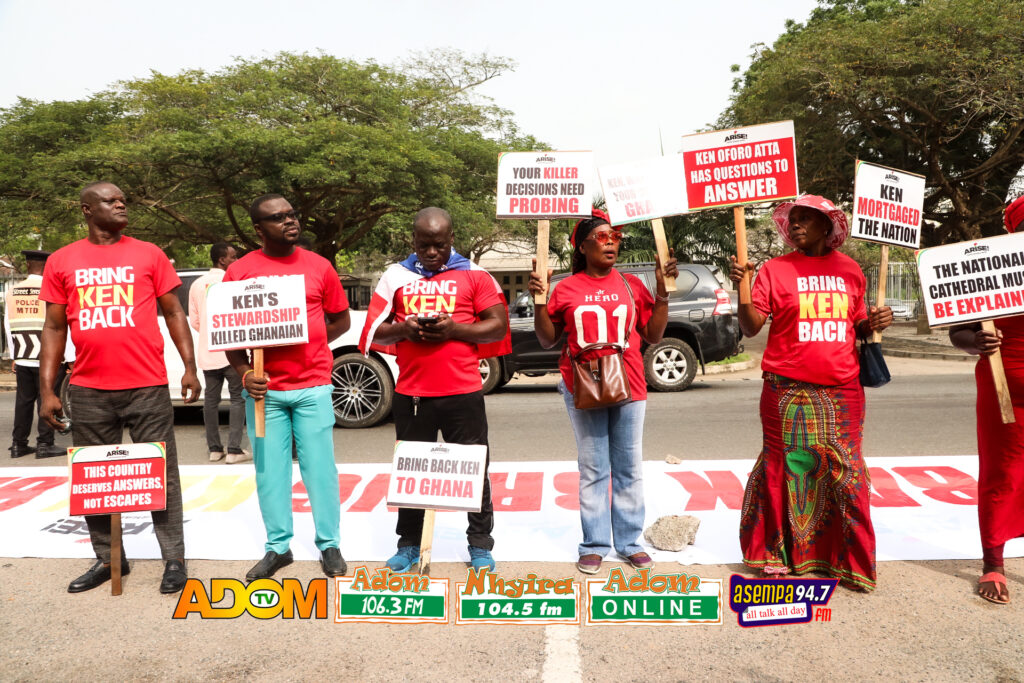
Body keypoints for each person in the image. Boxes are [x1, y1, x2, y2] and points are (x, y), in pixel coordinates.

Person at [38, 181, 201, 594]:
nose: (121, 205)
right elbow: (54, 328)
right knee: (96, 479)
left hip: (147, 385)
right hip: (89, 388)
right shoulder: (61, 260)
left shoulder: (149, 254)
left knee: (162, 475)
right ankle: (109, 558)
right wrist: (47, 391)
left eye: (123, 200)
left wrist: (189, 367)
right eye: (110, 201)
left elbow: (175, 313)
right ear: (87, 210)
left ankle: (174, 559)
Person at [729, 194, 892, 591]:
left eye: (805, 218)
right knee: (781, 469)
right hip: (784, 389)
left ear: (827, 226)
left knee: (846, 472)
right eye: (793, 219)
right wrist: (743, 288)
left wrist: (875, 321)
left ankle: (850, 561)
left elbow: (858, 325)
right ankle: (775, 555)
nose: (796, 224)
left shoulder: (850, 270)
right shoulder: (774, 269)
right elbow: (751, 327)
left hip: (842, 390)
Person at [360, 207, 509, 573]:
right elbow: (373, 331)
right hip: (412, 394)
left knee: (475, 471)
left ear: (451, 240)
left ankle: (480, 545)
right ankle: (409, 544)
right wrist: (404, 330)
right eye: (424, 244)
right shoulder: (395, 276)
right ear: (413, 240)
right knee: (411, 473)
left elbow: (498, 326)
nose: (431, 252)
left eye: (439, 245)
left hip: (463, 392)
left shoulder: (474, 274)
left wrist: (455, 330)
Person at [529, 208, 678, 574]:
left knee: (629, 467)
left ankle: (629, 543)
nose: (611, 243)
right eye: (602, 237)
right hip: (582, 385)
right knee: (593, 467)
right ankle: (594, 544)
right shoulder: (565, 288)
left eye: (616, 237)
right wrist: (538, 300)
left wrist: (662, 293)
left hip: (630, 383)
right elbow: (547, 339)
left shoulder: (631, 284)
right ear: (582, 246)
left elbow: (653, 335)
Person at [224, 194, 351, 580]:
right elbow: (229, 336)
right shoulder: (240, 272)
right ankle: (278, 547)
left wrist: (310, 343)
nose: (290, 221)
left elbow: (341, 320)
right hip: (265, 394)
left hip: (313, 387)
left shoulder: (319, 266)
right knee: (269, 473)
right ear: (258, 229)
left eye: (292, 214)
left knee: (321, 471)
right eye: (278, 218)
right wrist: (245, 372)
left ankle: (329, 544)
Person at [948, 194, 1024, 605]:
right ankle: (993, 562)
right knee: (1002, 472)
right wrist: (976, 340)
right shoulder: (992, 272)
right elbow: (957, 332)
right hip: (1003, 388)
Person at [188, 242, 250, 464]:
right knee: (238, 399)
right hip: (233, 352)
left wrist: (209, 333)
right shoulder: (234, 281)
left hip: (208, 352)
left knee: (211, 401)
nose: (236, 261)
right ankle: (234, 450)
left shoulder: (196, 285)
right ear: (222, 260)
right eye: (233, 257)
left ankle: (214, 449)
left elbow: (195, 321)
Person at [5, 250, 68, 459]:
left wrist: (14, 356)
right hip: (48, 357)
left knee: (23, 401)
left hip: (23, 355)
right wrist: (69, 358)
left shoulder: (13, 291)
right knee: (46, 399)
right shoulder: (53, 289)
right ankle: (45, 445)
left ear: (27, 265)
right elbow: (61, 326)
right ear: (48, 267)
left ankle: (18, 444)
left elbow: (8, 326)